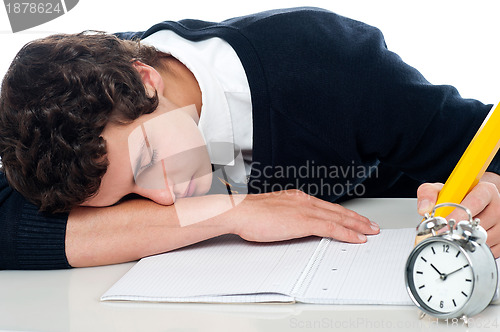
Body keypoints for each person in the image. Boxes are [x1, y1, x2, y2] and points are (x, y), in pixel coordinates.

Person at [1, 7, 499, 270]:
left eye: (146, 164)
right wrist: (229, 212)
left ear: (146, 81)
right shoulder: (76, 116)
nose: (164, 199)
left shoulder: (330, 63)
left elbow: (479, 140)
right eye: (129, 197)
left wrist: (492, 191)